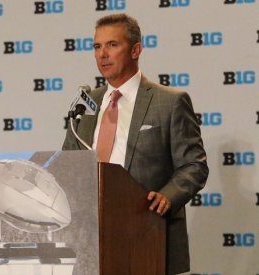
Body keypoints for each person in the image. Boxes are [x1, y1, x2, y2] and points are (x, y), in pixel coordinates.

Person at [62, 13, 208, 275]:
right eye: (97, 46)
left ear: (136, 50)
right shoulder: (87, 105)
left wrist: (168, 196)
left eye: (112, 45)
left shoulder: (170, 102)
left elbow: (194, 166)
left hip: (149, 231)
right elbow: (67, 166)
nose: (102, 54)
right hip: (90, 237)